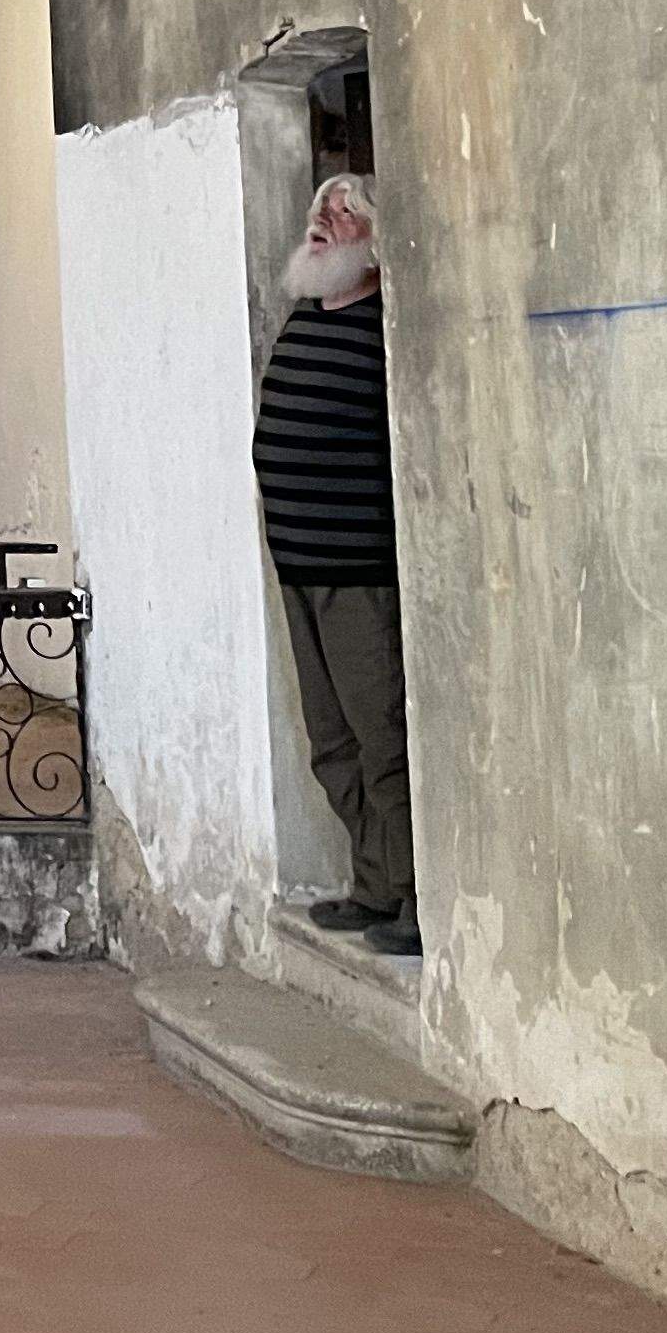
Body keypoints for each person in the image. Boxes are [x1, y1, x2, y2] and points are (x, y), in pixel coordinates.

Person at [256, 172, 416, 954]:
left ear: (380, 244)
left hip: (361, 574)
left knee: (384, 741)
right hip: (300, 568)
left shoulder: (391, 328)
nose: (324, 215)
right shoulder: (309, 315)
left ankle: (417, 900)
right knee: (333, 744)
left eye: (347, 210)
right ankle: (373, 884)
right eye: (322, 204)